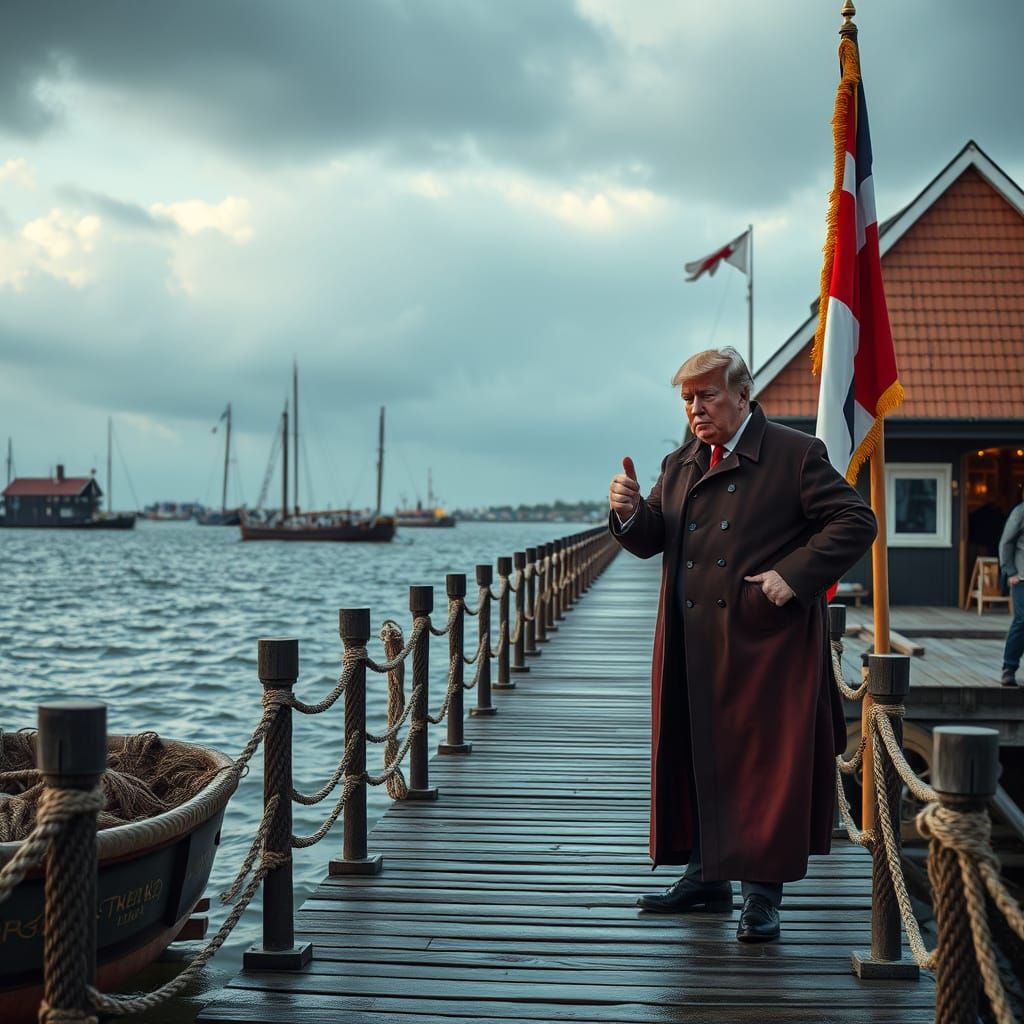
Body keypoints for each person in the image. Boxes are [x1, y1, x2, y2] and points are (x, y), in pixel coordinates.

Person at [607, 346, 876, 943]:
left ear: (742, 395)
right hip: (690, 642)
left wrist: (793, 577)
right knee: (698, 755)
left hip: (763, 643)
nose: (695, 408)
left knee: (761, 767)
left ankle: (761, 897)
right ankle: (706, 879)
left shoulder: (794, 453)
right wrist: (627, 514)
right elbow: (655, 536)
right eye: (686, 398)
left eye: (706, 395)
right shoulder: (680, 462)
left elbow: (856, 521)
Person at [998, 495, 1024, 687]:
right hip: (1021, 577)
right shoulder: (1020, 511)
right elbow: (1006, 542)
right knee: (1022, 621)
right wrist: (1010, 571)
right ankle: (1009, 668)